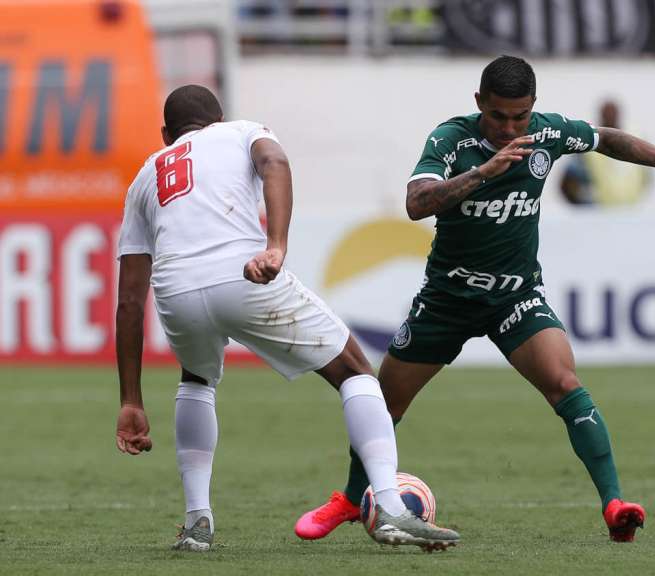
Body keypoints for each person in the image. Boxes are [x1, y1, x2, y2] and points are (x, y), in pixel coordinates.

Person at [294, 55, 655, 543]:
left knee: (565, 382)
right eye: (498, 116)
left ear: (534, 108)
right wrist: (483, 173)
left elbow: (605, 138)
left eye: (520, 117)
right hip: (447, 300)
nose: (510, 128)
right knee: (383, 404)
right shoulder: (452, 139)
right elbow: (415, 203)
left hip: (515, 297)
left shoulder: (547, 135)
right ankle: (349, 498)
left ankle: (614, 503)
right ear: (478, 104)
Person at [114, 85, 459, 552]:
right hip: (240, 275)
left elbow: (130, 300)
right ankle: (391, 507)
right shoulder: (239, 132)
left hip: (176, 293)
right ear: (218, 119)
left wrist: (131, 400)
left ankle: (198, 522)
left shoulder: (144, 177)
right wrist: (275, 244)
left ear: (165, 134)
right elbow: (274, 163)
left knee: (196, 379)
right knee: (355, 371)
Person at [560, 99, 652, 206]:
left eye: (613, 116)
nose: (610, 119)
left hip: (630, 212)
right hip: (599, 215)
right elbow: (567, 183)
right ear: (601, 117)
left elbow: (646, 178)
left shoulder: (635, 139)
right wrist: (584, 206)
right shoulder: (588, 142)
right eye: (607, 116)